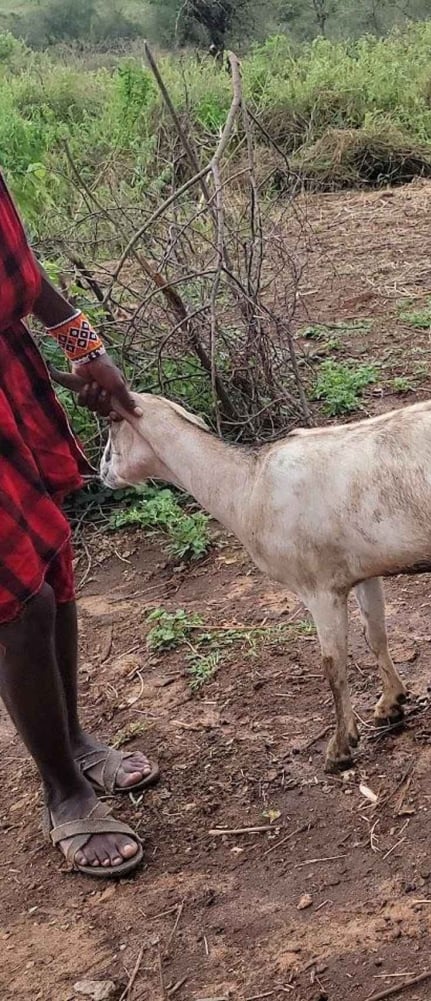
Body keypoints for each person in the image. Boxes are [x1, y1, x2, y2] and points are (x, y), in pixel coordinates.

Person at [1, 170, 158, 878]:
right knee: (17, 600)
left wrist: (85, 346)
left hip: (9, 378)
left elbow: (25, 275)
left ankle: (73, 738)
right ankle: (63, 790)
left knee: (51, 560)